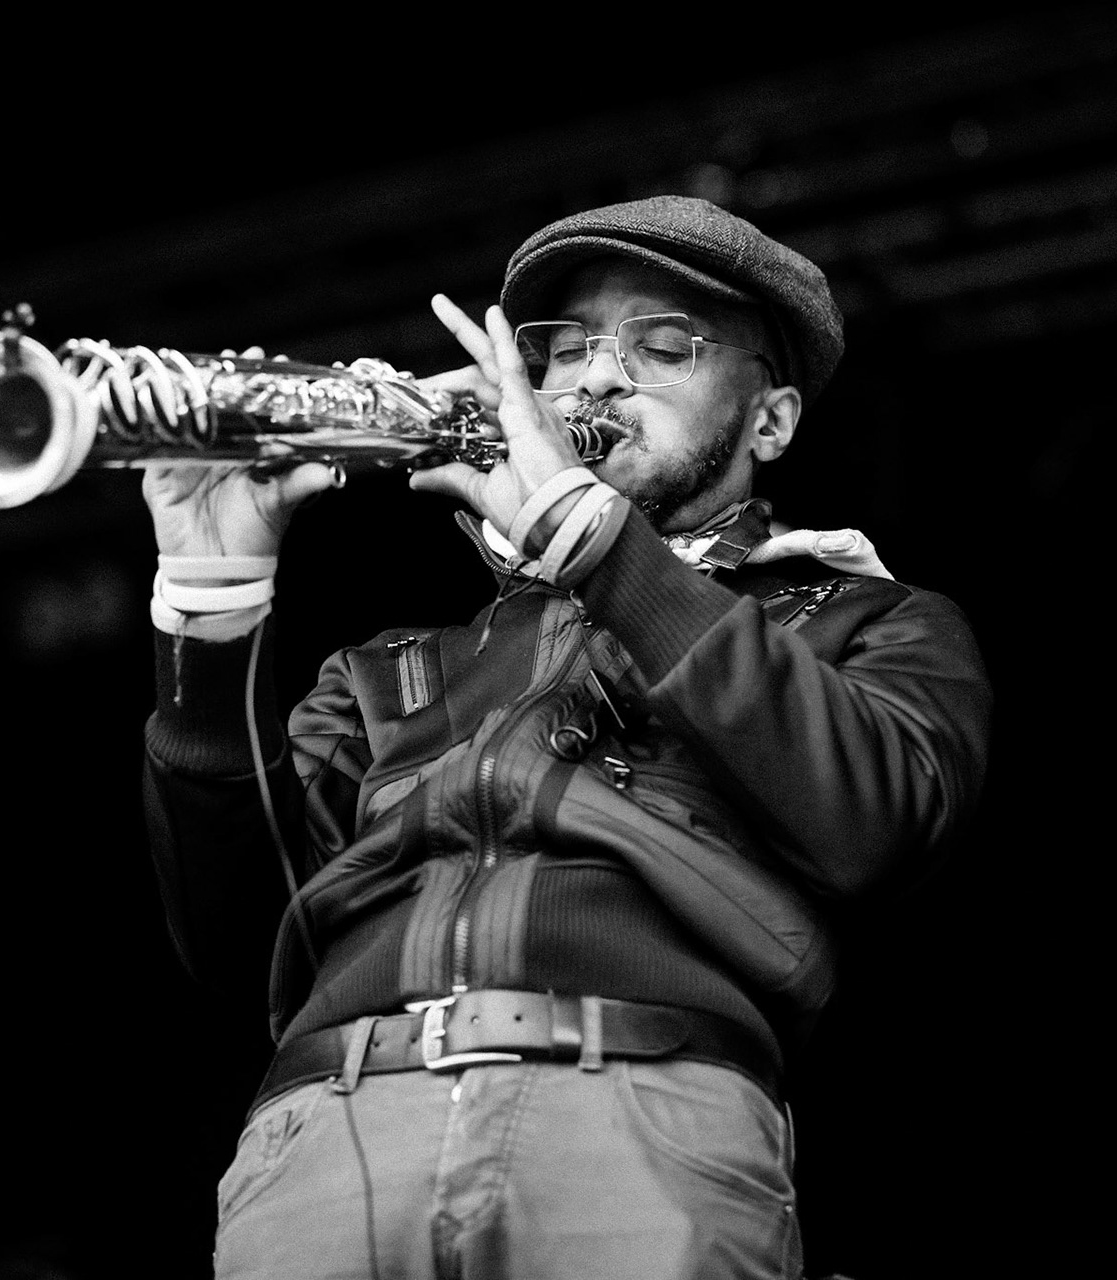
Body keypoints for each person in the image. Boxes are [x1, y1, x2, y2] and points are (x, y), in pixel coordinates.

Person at [138, 194, 993, 1279]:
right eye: (560, 349)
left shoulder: (867, 618)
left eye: (662, 344)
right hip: (328, 1129)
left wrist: (592, 538)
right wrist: (213, 603)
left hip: (640, 1114)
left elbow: (877, 820)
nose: (594, 378)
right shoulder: (385, 666)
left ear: (770, 421)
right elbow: (231, 943)